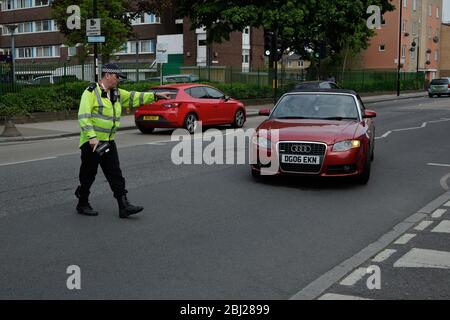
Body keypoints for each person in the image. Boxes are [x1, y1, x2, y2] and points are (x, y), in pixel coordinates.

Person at [75, 63, 170, 218]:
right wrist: (92, 137)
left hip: (109, 141)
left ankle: (123, 205)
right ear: (107, 75)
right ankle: (82, 202)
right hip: (91, 143)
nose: (118, 80)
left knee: (115, 173)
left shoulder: (116, 93)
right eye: (117, 76)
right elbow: (83, 116)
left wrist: (155, 96)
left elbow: (134, 97)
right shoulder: (91, 92)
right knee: (88, 174)